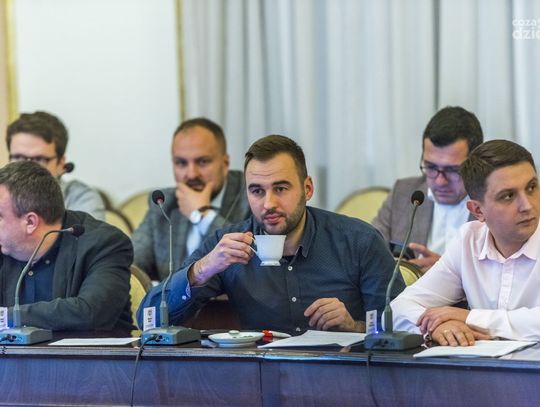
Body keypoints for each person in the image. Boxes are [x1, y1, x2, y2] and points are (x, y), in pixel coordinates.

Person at [137, 135, 403, 333]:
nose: (268, 204)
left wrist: (353, 326)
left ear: (307, 189)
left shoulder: (358, 240)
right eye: (257, 191)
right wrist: (203, 269)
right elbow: (148, 319)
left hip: (341, 376)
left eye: (281, 189)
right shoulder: (227, 245)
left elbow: (403, 327)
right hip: (260, 379)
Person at [392, 140, 540, 346]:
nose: (527, 205)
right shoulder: (469, 240)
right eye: (508, 196)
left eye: (532, 187)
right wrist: (438, 327)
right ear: (478, 211)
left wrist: (470, 318)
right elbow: (399, 307)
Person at [0, 161, 133, 331]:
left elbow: (90, 313)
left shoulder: (104, 244)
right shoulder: (6, 248)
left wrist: (6, 317)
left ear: (30, 222)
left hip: (89, 348)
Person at [131, 118, 250, 281]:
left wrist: (201, 215)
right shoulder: (163, 203)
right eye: (181, 163)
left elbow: (250, 267)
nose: (192, 174)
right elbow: (129, 263)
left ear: (225, 163)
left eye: (202, 162)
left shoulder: (251, 195)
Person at [372, 106, 483, 272]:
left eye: (453, 170)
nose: (440, 181)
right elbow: (368, 253)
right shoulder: (403, 193)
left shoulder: (494, 204)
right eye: (431, 167)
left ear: (475, 163)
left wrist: (448, 271)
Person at [6, 111, 105, 220]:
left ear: (61, 164)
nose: (26, 168)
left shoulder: (81, 198)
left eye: (39, 159)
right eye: (18, 157)